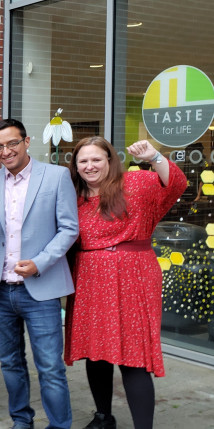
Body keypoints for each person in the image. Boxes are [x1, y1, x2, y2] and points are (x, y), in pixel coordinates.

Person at [65, 137, 186, 429]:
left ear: (110, 160)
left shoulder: (136, 184)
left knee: (133, 356)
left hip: (133, 277)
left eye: (96, 159)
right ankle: (104, 417)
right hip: (90, 279)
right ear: (76, 166)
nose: (90, 166)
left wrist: (155, 156)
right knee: (96, 353)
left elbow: (176, 185)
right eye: (83, 161)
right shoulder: (74, 197)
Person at [0, 119, 78, 429]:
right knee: (10, 364)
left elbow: (69, 229)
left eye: (12, 143)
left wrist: (40, 263)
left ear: (26, 141)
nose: (6, 151)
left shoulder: (56, 177)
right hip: (0, 291)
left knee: (50, 367)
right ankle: (21, 421)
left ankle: (59, 425)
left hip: (40, 289)